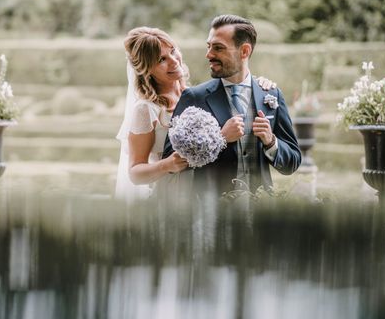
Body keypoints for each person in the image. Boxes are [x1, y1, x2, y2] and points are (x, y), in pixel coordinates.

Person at [115, 27, 275, 200]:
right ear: (147, 69)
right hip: (171, 196)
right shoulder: (146, 110)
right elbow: (134, 173)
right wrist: (166, 165)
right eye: (162, 59)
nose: (174, 61)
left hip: (206, 192)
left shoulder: (196, 95)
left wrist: (260, 85)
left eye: (173, 51)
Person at [162, 15, 301, 196]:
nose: (209, 55)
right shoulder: (194, 97)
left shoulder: (271, 94)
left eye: (218, 48)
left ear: (244, 51)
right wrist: (219, 138)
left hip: (261, 207)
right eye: (209, 46)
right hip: (210, 210)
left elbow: (292, 163)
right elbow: (170, 163)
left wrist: (271, 141)